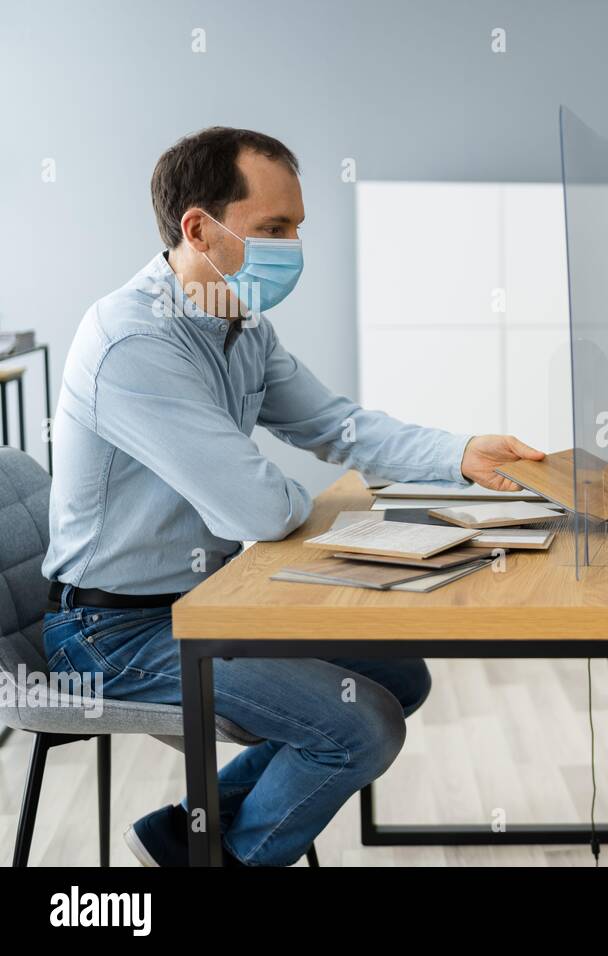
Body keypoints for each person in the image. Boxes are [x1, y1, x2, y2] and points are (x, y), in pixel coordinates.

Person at [42, 127, 544, 866]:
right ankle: (224, 861)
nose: (293, 245)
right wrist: (287, 495)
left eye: (298, 226)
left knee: (399, 674)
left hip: (205, 603)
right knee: (362, 727)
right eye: (274, 228)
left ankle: (189, 830)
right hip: (110, 636)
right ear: (197, 227)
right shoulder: (132, 343)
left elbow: (333, 423)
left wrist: (459, 453)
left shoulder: (241, 325)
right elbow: (259, 510)